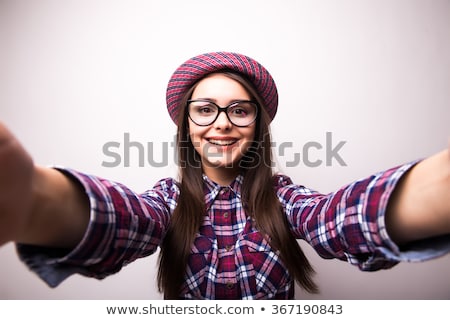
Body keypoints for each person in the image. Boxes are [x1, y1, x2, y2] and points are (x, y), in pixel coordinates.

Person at [0, 51, 449, 299]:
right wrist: (37, 202)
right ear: (188, 126)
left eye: (239, 109)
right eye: (204, 109)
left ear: (257, 126)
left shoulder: (285, 198)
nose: (221, 122)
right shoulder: (167, 201)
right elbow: (131, 217)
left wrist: (433, 195)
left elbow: (331, 216)